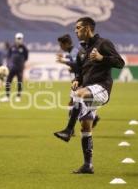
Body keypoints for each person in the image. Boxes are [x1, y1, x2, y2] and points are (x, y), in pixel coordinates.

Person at [54, 17, 125, 174]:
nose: (75, 31)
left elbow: (120, 63)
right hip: (88, 90)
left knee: (77, 94)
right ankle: (88, 165)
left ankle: (67, 130)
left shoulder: (103, 44)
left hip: (102, 88)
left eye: (78, 28)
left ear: (87, 28)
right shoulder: (81, 50)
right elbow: (80, 73)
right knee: (86, 127)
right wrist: (76, 80)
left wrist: (102, 58)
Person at [56, 34, 100, 136]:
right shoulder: (72, 52)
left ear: (66, 44)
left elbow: (78, 66)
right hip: (79, 81)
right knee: (75, 103)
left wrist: (65, 62)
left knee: (73, 103)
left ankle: (70, 129)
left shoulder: (74, 52)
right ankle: (91, 119)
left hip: (81, 82)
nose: (60, 47)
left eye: (61, 44)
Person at [0, 32, 28, 102]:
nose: (19, 39)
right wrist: (9, 64)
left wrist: (21, 63)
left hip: (19, 68)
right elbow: (8, 56)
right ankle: (7, 96)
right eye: (18, 38)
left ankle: (18, 96)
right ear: (15, 39)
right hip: (11, 68)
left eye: (20, 38)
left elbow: (26, 57)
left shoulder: (24, 48)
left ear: (22, 39)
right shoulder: (12, 47)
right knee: (8, 81)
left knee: (19, 82)